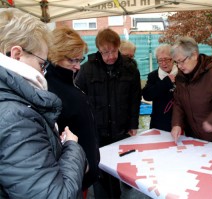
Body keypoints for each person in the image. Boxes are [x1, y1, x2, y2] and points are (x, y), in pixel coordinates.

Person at [0, 8, 86, 198]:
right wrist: (72, 147)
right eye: (42, 64)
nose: (43, 73)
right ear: (16, 55)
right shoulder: (15, 116)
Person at [75, 28, 141, 198]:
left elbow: (135, 99)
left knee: (119, 169)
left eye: (113, 51)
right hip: (96, 131)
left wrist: (133, 124)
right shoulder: (87, 69)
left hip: (121, 129)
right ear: (98, 50)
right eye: (105, 52)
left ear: (118, 46)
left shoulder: (130, 68)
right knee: (101, 174)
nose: (110, 56)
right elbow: (78, 98)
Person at [45, 27, 100, 193]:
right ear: (56, 56)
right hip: (72, 178)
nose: (77, 66)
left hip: (80, 174)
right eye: (72, 61)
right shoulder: (50, 90)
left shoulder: (67, 82)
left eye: (80, 60)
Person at [142, 44, 177, 132]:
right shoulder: (153, 76)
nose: (163, 63)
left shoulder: (181, 73)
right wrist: (166, 82)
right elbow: (147, 95)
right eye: (160, 60)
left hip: (179, 122)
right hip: (159, 122)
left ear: (173, 58)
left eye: (166, 59)